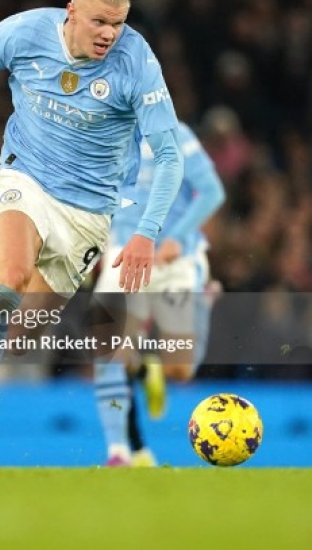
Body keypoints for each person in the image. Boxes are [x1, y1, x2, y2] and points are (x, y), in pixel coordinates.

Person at [0, 0, 184, 466]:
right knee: (7, 278)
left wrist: (145, 233)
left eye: (118, 24)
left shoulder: (137, 61)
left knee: (27, 332)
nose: (109, 35)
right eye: (99, 22)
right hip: (24, 179)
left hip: (90, 213)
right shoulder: (28, 31)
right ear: (71, 10)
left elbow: (169, 155)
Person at [92, 121, 225, 466]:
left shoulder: (177, 134)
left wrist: (177, 237)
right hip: (125, 250)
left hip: (173, 257)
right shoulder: (104, 132)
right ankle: (118, 451)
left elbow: (212, 191)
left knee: (179, 371)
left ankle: (198, 306)